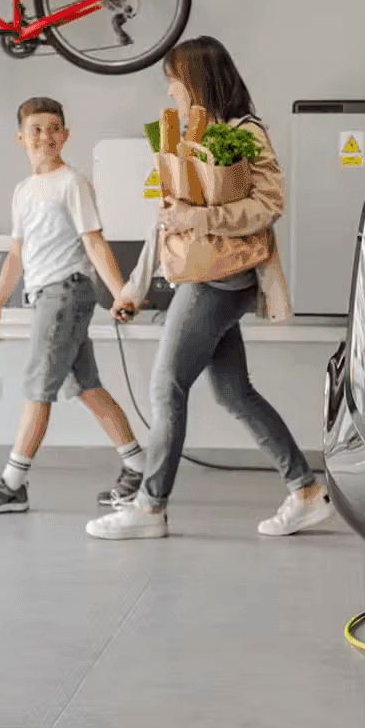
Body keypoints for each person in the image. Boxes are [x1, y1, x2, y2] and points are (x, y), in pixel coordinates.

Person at [84, 36, 333, 541]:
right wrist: (135, 286)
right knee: (233, 391)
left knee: (165, 386)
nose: (171, 89)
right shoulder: (193, 135)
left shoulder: (245, 132)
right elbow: (168, 222)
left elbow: (269, 204)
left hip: (222, 279)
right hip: (203, 274)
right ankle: (305, 491)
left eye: (176, 79)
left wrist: (200, 214)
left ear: (198, 80)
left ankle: (149, 506)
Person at [0, 97, 147, 515]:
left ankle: (12, 485)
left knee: (36, 389)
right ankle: (140, 469)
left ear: (66, 136)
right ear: (21, 138)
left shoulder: (72, 183)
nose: (46, 136)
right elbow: (16, 255)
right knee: (87, 387)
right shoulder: (24, 191)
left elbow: (94, 242)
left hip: (66, 292)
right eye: (37, 128)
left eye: (54, 128)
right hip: (46, 294)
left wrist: (121, 293)